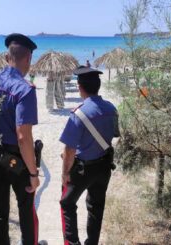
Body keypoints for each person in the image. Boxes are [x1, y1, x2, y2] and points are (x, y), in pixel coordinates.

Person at [0, 33, 43, 245]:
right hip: (15, 160)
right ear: (27, 59)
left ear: (8, 57)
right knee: (26, 211)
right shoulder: (25, 90)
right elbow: (23, 137)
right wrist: (34, 173)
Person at [59, 66, 120, 245]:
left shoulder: (78, 113)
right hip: (104, 166)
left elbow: (69, 150)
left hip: (83, 169)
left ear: (80, 87)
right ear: (98, 86)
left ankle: (73, 243)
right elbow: (114, 134)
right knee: (96, 206)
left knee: (67, 203)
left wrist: (65, 173)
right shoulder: (111, 108)